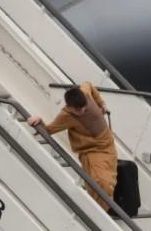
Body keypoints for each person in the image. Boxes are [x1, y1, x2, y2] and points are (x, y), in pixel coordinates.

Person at [28, 83, 118, 211]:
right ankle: (98, 213)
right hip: (93, 150)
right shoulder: (66, 116)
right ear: (69, 107)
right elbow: (48, 130)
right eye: (78, 110)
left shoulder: (85, 92)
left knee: (107, 182)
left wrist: (101, 102)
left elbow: (89, 84)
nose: (82, 111)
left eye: (84, 107)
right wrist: (38, 120)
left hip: (108, 144)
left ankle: (100, 210)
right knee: (101, 183)